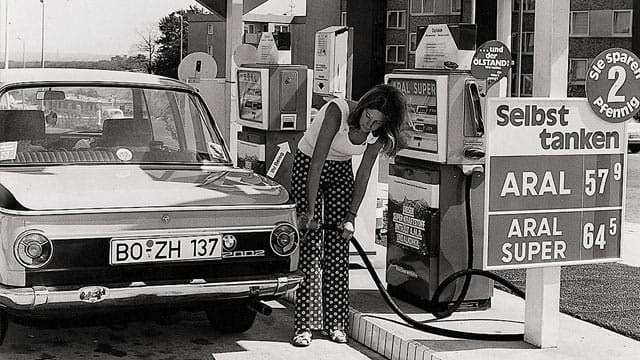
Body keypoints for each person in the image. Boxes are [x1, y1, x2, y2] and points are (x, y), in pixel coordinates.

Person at [291, 84, 408, 347]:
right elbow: (317, 162)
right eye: (369, 116)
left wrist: (351, 216)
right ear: (364, 106)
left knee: (338, 245)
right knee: (310, 245)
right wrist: (310, 211)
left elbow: (364, 173)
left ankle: (335, 323)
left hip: (341, 169)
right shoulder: (338, 111)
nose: (370, 125)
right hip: (309, 164)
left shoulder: (378, 135)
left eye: (378, 122)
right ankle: (305, 326)